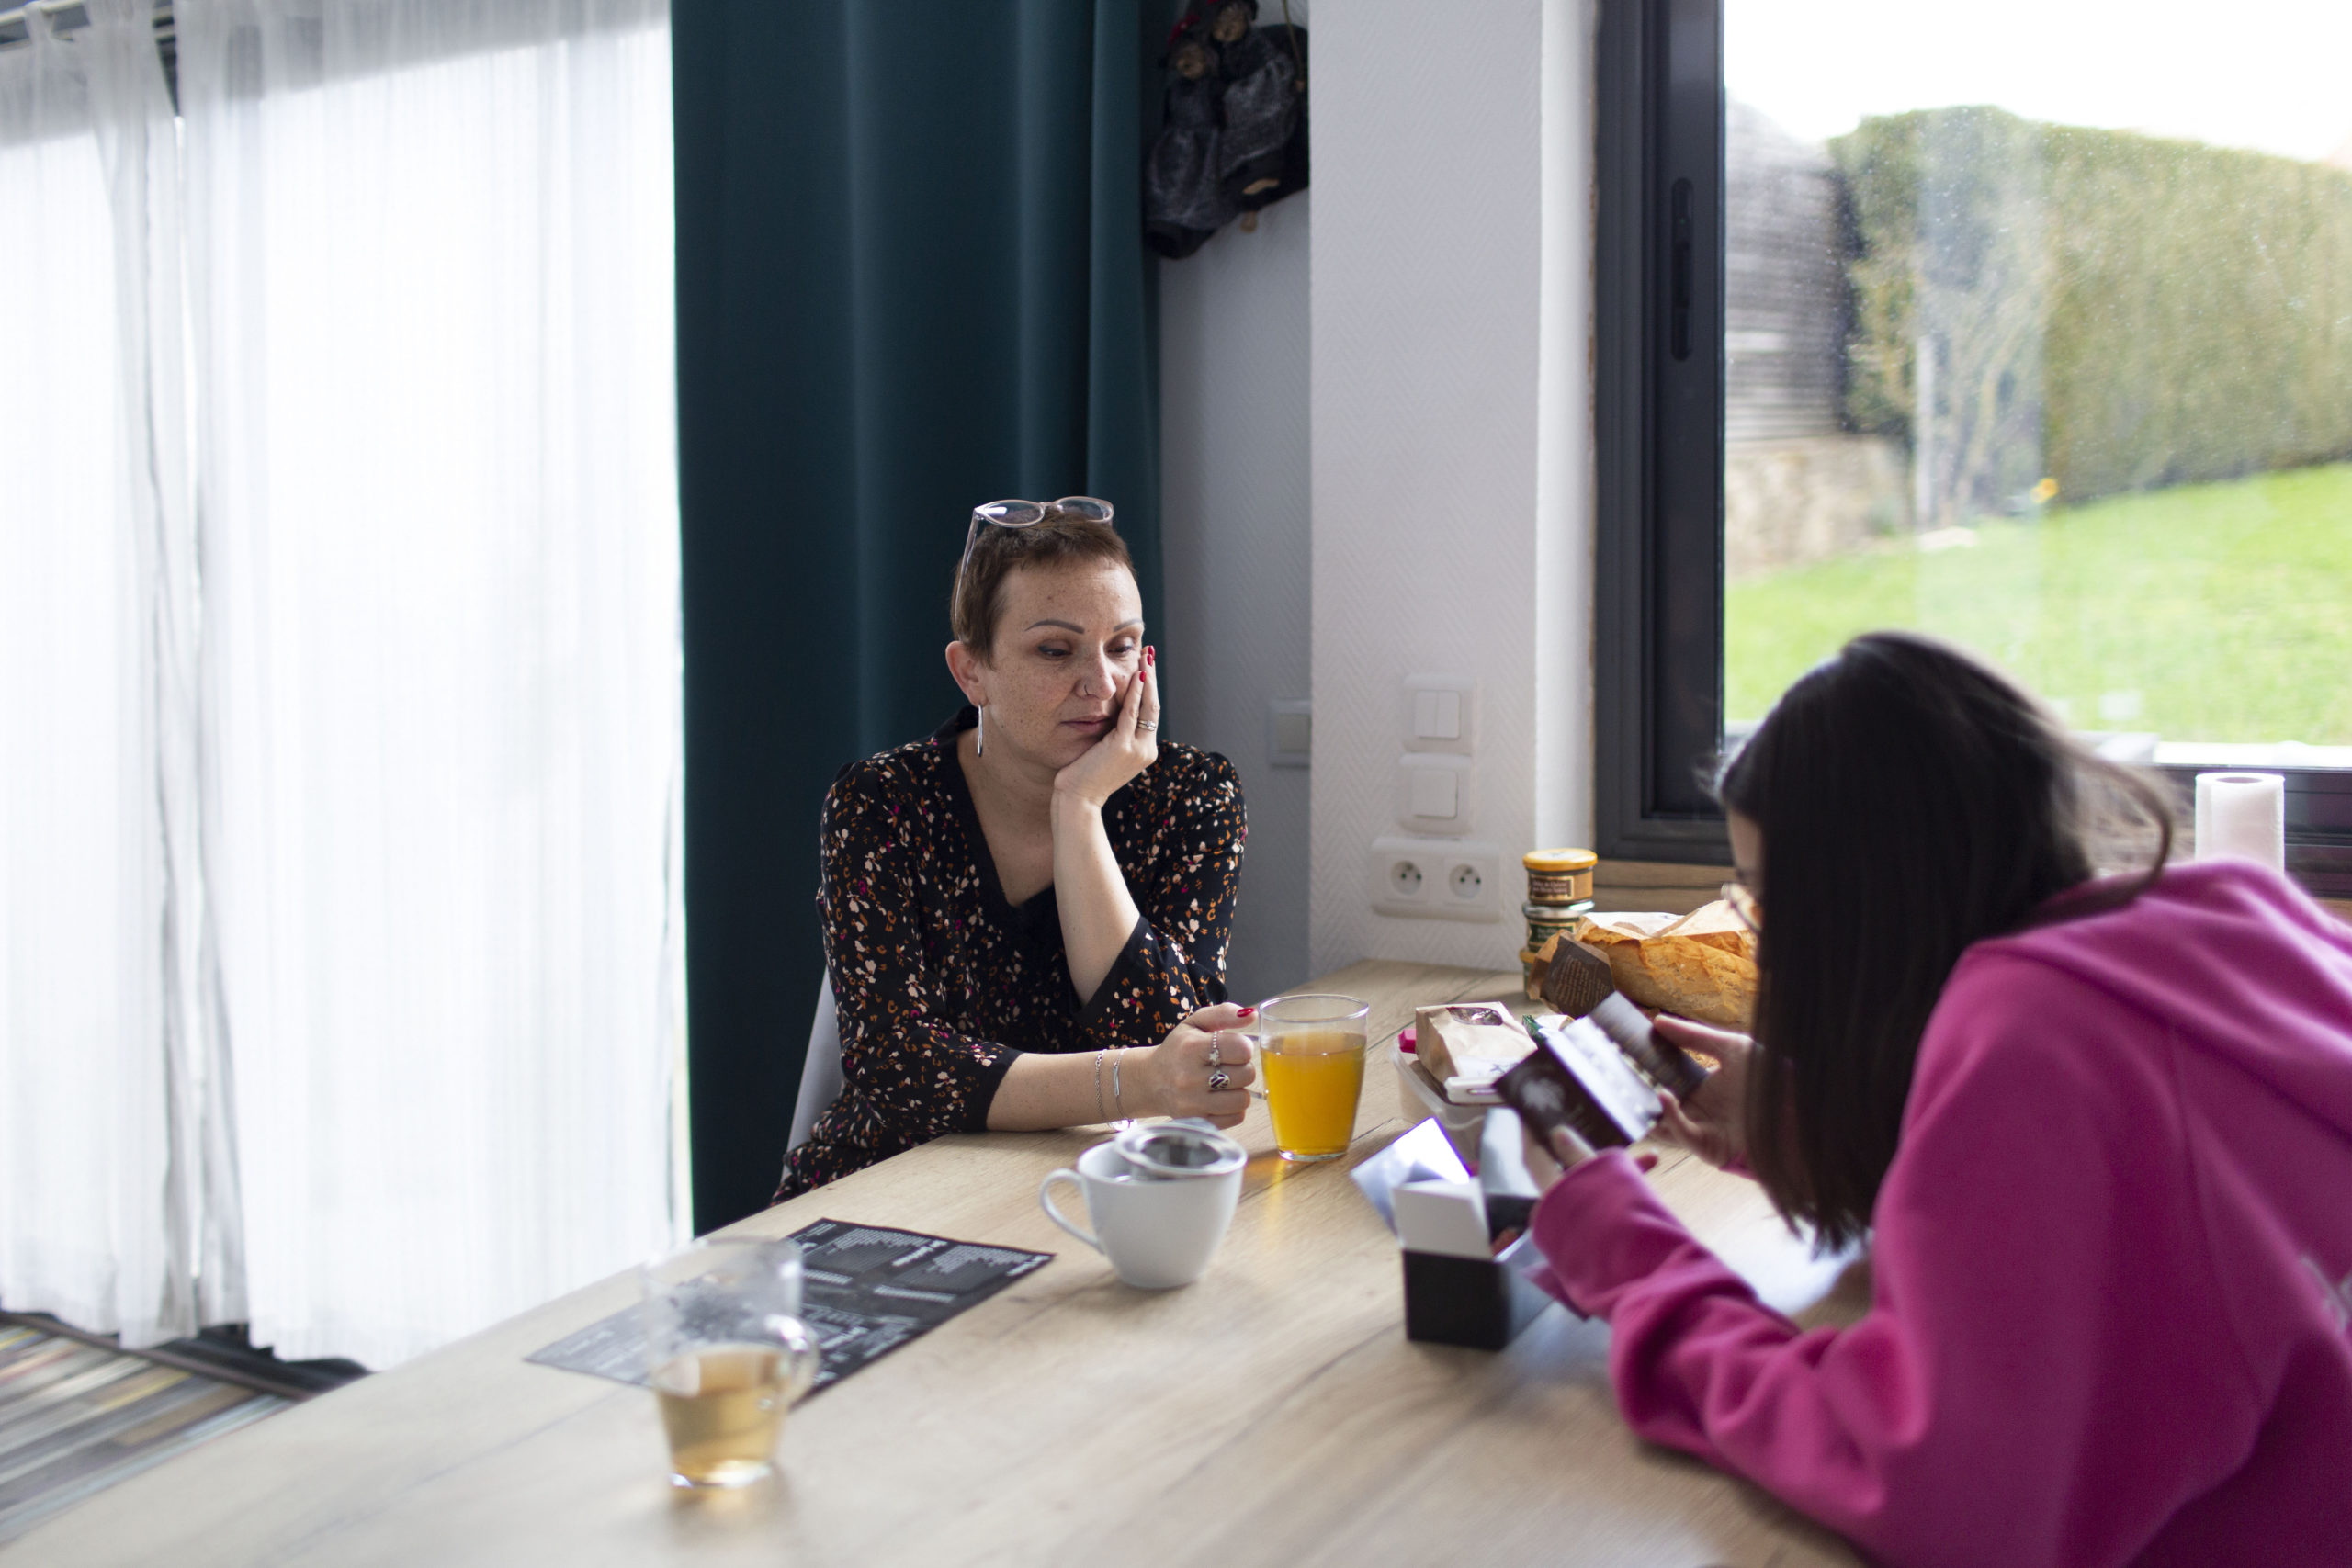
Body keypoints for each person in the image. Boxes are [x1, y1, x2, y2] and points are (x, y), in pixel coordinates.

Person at [1521, 632, 2352, 1567]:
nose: (1769, 935)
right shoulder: (2226, 911)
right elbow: (2137, 1212)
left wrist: (1636, 1264)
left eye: (1763, 894)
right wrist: (1810, 1118)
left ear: (1859, 903)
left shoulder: (2029, 1039)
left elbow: (1937, 1494)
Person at [776, 498, 1254, 1199]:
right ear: (972, 673)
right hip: (887, 1187)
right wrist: (1137, 1076)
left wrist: (1079, 807)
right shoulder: (880, 804)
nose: (1102, 683)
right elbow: (905, 1070)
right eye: (1055, 650)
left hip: (1089, 1192)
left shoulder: (1192, 795)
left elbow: (1166, 1042)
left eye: (1123, 645)